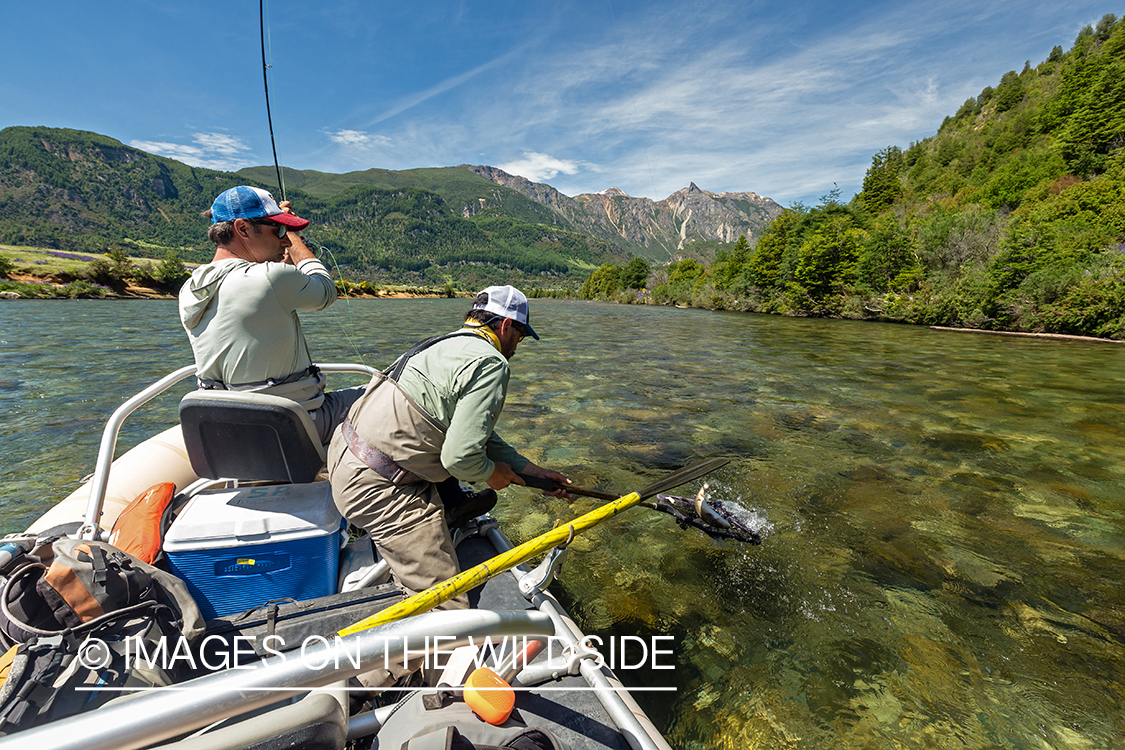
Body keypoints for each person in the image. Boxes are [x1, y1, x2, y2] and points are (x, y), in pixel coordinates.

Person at [328, 285, 571, 609]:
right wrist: (491, 473)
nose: (517, 346)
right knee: (448, 608)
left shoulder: (441, 345)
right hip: (376, 487)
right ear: (506, 326)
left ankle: (448, 511)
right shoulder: (491, 363)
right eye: (521, 336)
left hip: (342, 459)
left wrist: (527, 469)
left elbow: (467, 431)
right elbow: (460, 457)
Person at [179, 186, 364, 444]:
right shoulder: (269, 278)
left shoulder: (191, 288)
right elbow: (325, 289)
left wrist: (278, 232)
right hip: (296, 427)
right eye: (277, 230)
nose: (285, 240)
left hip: (229, 434)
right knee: (386, 392)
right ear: (242, 229)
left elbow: (261, 293)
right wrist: (294, 235)